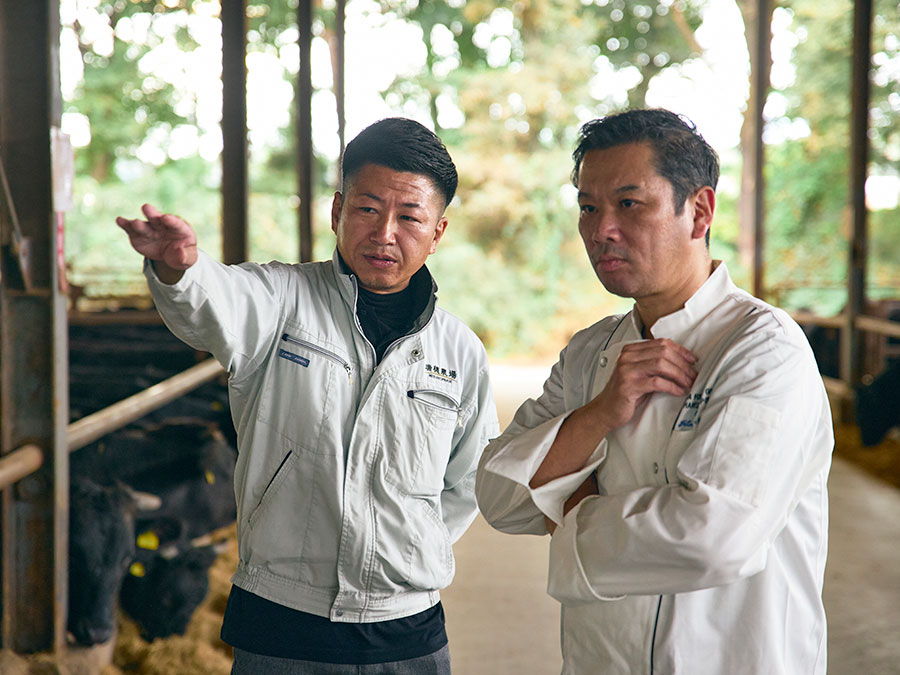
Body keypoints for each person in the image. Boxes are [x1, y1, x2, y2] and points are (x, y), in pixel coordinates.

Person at [116, 117, 498, 674]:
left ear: (438, 231)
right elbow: (215, 301)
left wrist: (410, 547)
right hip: (281, 621)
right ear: (338, 209)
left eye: (410, 216)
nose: (385, 232)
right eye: (368, 209)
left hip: (407, 633)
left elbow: (467, 481)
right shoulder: (280, 300)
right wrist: (181, 269)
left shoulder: (459, 352)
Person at [475, 108, 833, 674]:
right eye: (588, 208)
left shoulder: (763, 349)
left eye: (628, 203)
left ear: (700, 211)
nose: (601, 230)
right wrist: (597, 415)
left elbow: (714, 536)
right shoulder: (591, 353)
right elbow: (498, 496)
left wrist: (575, 506)